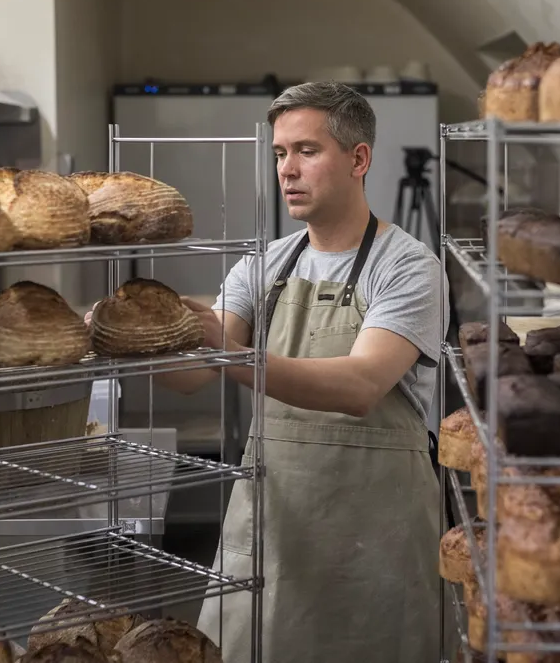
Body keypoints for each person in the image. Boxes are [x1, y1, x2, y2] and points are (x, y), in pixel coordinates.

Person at [154, 82, 448, 662]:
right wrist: (135, 340)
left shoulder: (409, 267)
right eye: (280, 153)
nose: (288, 169)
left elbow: (360, 386)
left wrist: (229, 353)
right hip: (275, 530)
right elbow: (192, 376)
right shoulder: (263, 265)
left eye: (307, 151)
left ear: (358, 159)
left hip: (376, 544)